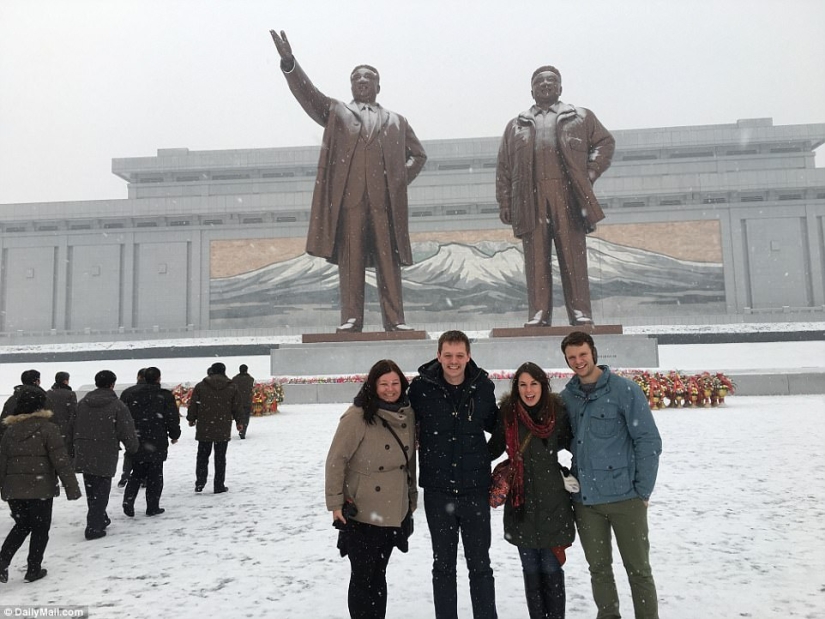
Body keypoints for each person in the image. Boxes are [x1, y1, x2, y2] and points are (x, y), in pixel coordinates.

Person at [269, 30, 427, 333]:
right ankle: (352, 318)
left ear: (379, 86)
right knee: (351, 262)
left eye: (369, 78)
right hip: (351, 203)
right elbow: (309, 95)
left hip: (384, 205)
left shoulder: (397, 121)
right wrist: (290, 63)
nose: (363, 81)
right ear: (351, 85)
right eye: (357, 78)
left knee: (388, 262)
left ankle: (395, 320)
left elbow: (418, 156)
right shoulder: (337, 112)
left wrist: (396, 182)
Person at [496, 65, 615, 327]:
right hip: (530, 197)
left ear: (561, 88)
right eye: (541, 82)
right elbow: (504, 167)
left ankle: (580, 312)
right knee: (536, 259)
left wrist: (590, 173)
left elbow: (605, 143)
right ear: (532, 90)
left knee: (573, 255)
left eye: (552, 81)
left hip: (568, 195)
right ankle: (539, 313)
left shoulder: (580, 117)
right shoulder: (517, 126)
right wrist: (505, 202)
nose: (546, 85)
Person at [559, 331, 662, 619]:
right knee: (599, 569)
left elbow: (648, 441)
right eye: (572, 357)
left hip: (625, 499)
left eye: (583, 354)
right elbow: (553, 440)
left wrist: (643, 491)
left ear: (594, 353)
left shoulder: (624, 391)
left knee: (638, 570)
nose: (578, 361)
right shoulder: (567, 397)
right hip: (586, 502)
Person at [408, 330, 499, 619]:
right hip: (438, 491)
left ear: (468, 356)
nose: (454, 361)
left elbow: (498, 428)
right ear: (438, 355)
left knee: (480, 565)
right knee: (443, 566)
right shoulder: (421, 389)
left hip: (474, 490)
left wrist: (485, 457)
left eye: (460, 355)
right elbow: (401, 421)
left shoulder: (482, 386)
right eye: (448, 355)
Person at [325, 359, 417, 619]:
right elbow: (336, 460)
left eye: (395, 383)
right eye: (384, 384)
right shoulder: (357, 416)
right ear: (373, 386)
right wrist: (335, 504)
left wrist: (411, 498)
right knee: (363, 577)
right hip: (361, 510)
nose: (390, 389)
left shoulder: (407, 413)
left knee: (379, 573)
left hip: (393, 508)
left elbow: (410, 462)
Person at [488, 362, 575, 619]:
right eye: (523, 384)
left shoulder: (557, 413)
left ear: (543, 386)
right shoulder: (508, 414)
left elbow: (577, 445)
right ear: (516, 388)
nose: (528, 390)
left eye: (533, 384)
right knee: (530, 570)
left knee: (551, 568)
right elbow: (492, 449)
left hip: (553, 503)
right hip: (520, 504)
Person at [0, 387, 81, 584]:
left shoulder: (9, 432)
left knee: (22, 525)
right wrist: (72, 487)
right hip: (40, 489)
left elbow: (2, 461)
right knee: (40, 529)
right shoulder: (48, 429)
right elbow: (60, 461)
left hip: (14, 489)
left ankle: (2, 562)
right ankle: (33, 569)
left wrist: (3, 487)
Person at [70, 370, 139, 540]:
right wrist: (133, 447)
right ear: (112, 384)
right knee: (102, 489)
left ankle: (100, 517)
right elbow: (126, 430)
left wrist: (72, 447)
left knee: (91, 487)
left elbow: (72, 425)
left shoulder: (83, 403)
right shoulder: (117, 405)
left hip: (84, 449)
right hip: (105, 450)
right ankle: (94, 526)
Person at [120, 367, 181, 517]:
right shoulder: (164, 395)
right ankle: (152, 506)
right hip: (157, 438)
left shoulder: (129, 393)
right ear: (158, 378)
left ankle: (129, 500)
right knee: (155, 473)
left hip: (136, 437)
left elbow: (120, 416)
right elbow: (172, 417)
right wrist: (174, 434)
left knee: (137, 471)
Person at [186, 362, 242, 494]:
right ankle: (219, 485)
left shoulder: (201, 386)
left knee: (202, 456)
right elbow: (237, 407)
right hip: (223, 426)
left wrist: (191, 418)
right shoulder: (232, 387)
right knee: (220, 457)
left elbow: (194, 404)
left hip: (205, 425)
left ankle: (200, 482)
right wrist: (239, 422)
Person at [0, 370, 54, 439]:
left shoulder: (11, 400)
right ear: (37, 381)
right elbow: (53, 420)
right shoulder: (43, 399)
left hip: (14, 441)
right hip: (40, 442)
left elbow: (3, 424)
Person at [117, 368, 147, 488]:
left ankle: (125, 476)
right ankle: (144, 478)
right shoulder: (156, 392)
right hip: (150, 428)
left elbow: (120, 411)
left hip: (131, 427)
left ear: (138, 377)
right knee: (146, 453)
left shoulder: (128, 392)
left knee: (130, 452)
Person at [46, 371, 77, 452]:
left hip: (50, 429)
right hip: (66, 430)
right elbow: (73, 413)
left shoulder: (48, 393)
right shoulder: (70, 394)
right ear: (65, 381)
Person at [231, 364, 255, 439]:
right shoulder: (250, 379)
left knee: (238, 416)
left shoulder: (234, 379)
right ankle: (243, 430)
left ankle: (240, 426)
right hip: (246, 401)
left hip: (237, 402)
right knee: (246, 417)